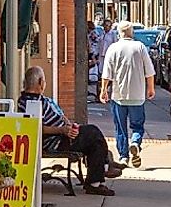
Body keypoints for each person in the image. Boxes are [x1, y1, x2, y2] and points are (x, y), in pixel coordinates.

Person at [22, 64, 116, 195]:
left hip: (63, 135)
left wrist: (69, 125)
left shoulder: (41, 99)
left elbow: (60, 115)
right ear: (40, 82)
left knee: (93, 138)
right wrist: (62, 130)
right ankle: (101, 173)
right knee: (93, 134)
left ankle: (99, 176)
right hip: (54, 141)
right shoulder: (29, 103)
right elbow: (35, 128)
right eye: (44, 81)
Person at [99, 22, 156, 167]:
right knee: (138, 126)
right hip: (137, 95)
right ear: (132, 32)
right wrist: (151, 88)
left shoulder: (113, 48)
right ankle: (135, 142)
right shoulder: (140, 47)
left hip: (119, 96)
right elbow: (149, 71)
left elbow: (107, 73)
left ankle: (123, 156)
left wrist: (104, 89)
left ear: (119, 33)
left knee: (120, 127)